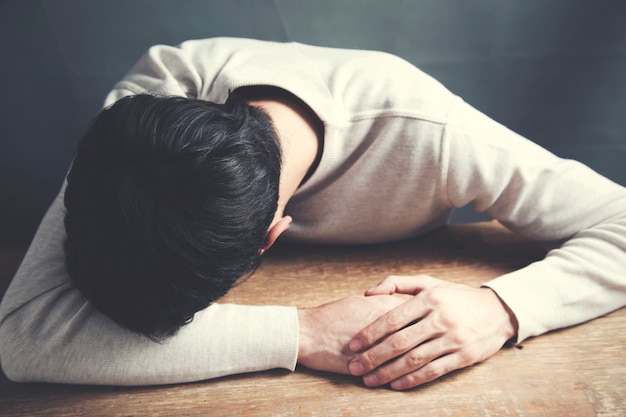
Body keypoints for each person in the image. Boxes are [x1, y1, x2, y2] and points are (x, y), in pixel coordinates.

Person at [1, 37, 625, 390]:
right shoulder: (141, 112)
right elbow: (26, 336)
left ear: (273, 237)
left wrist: (499, 308)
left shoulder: (435, 134)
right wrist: (304, 332)